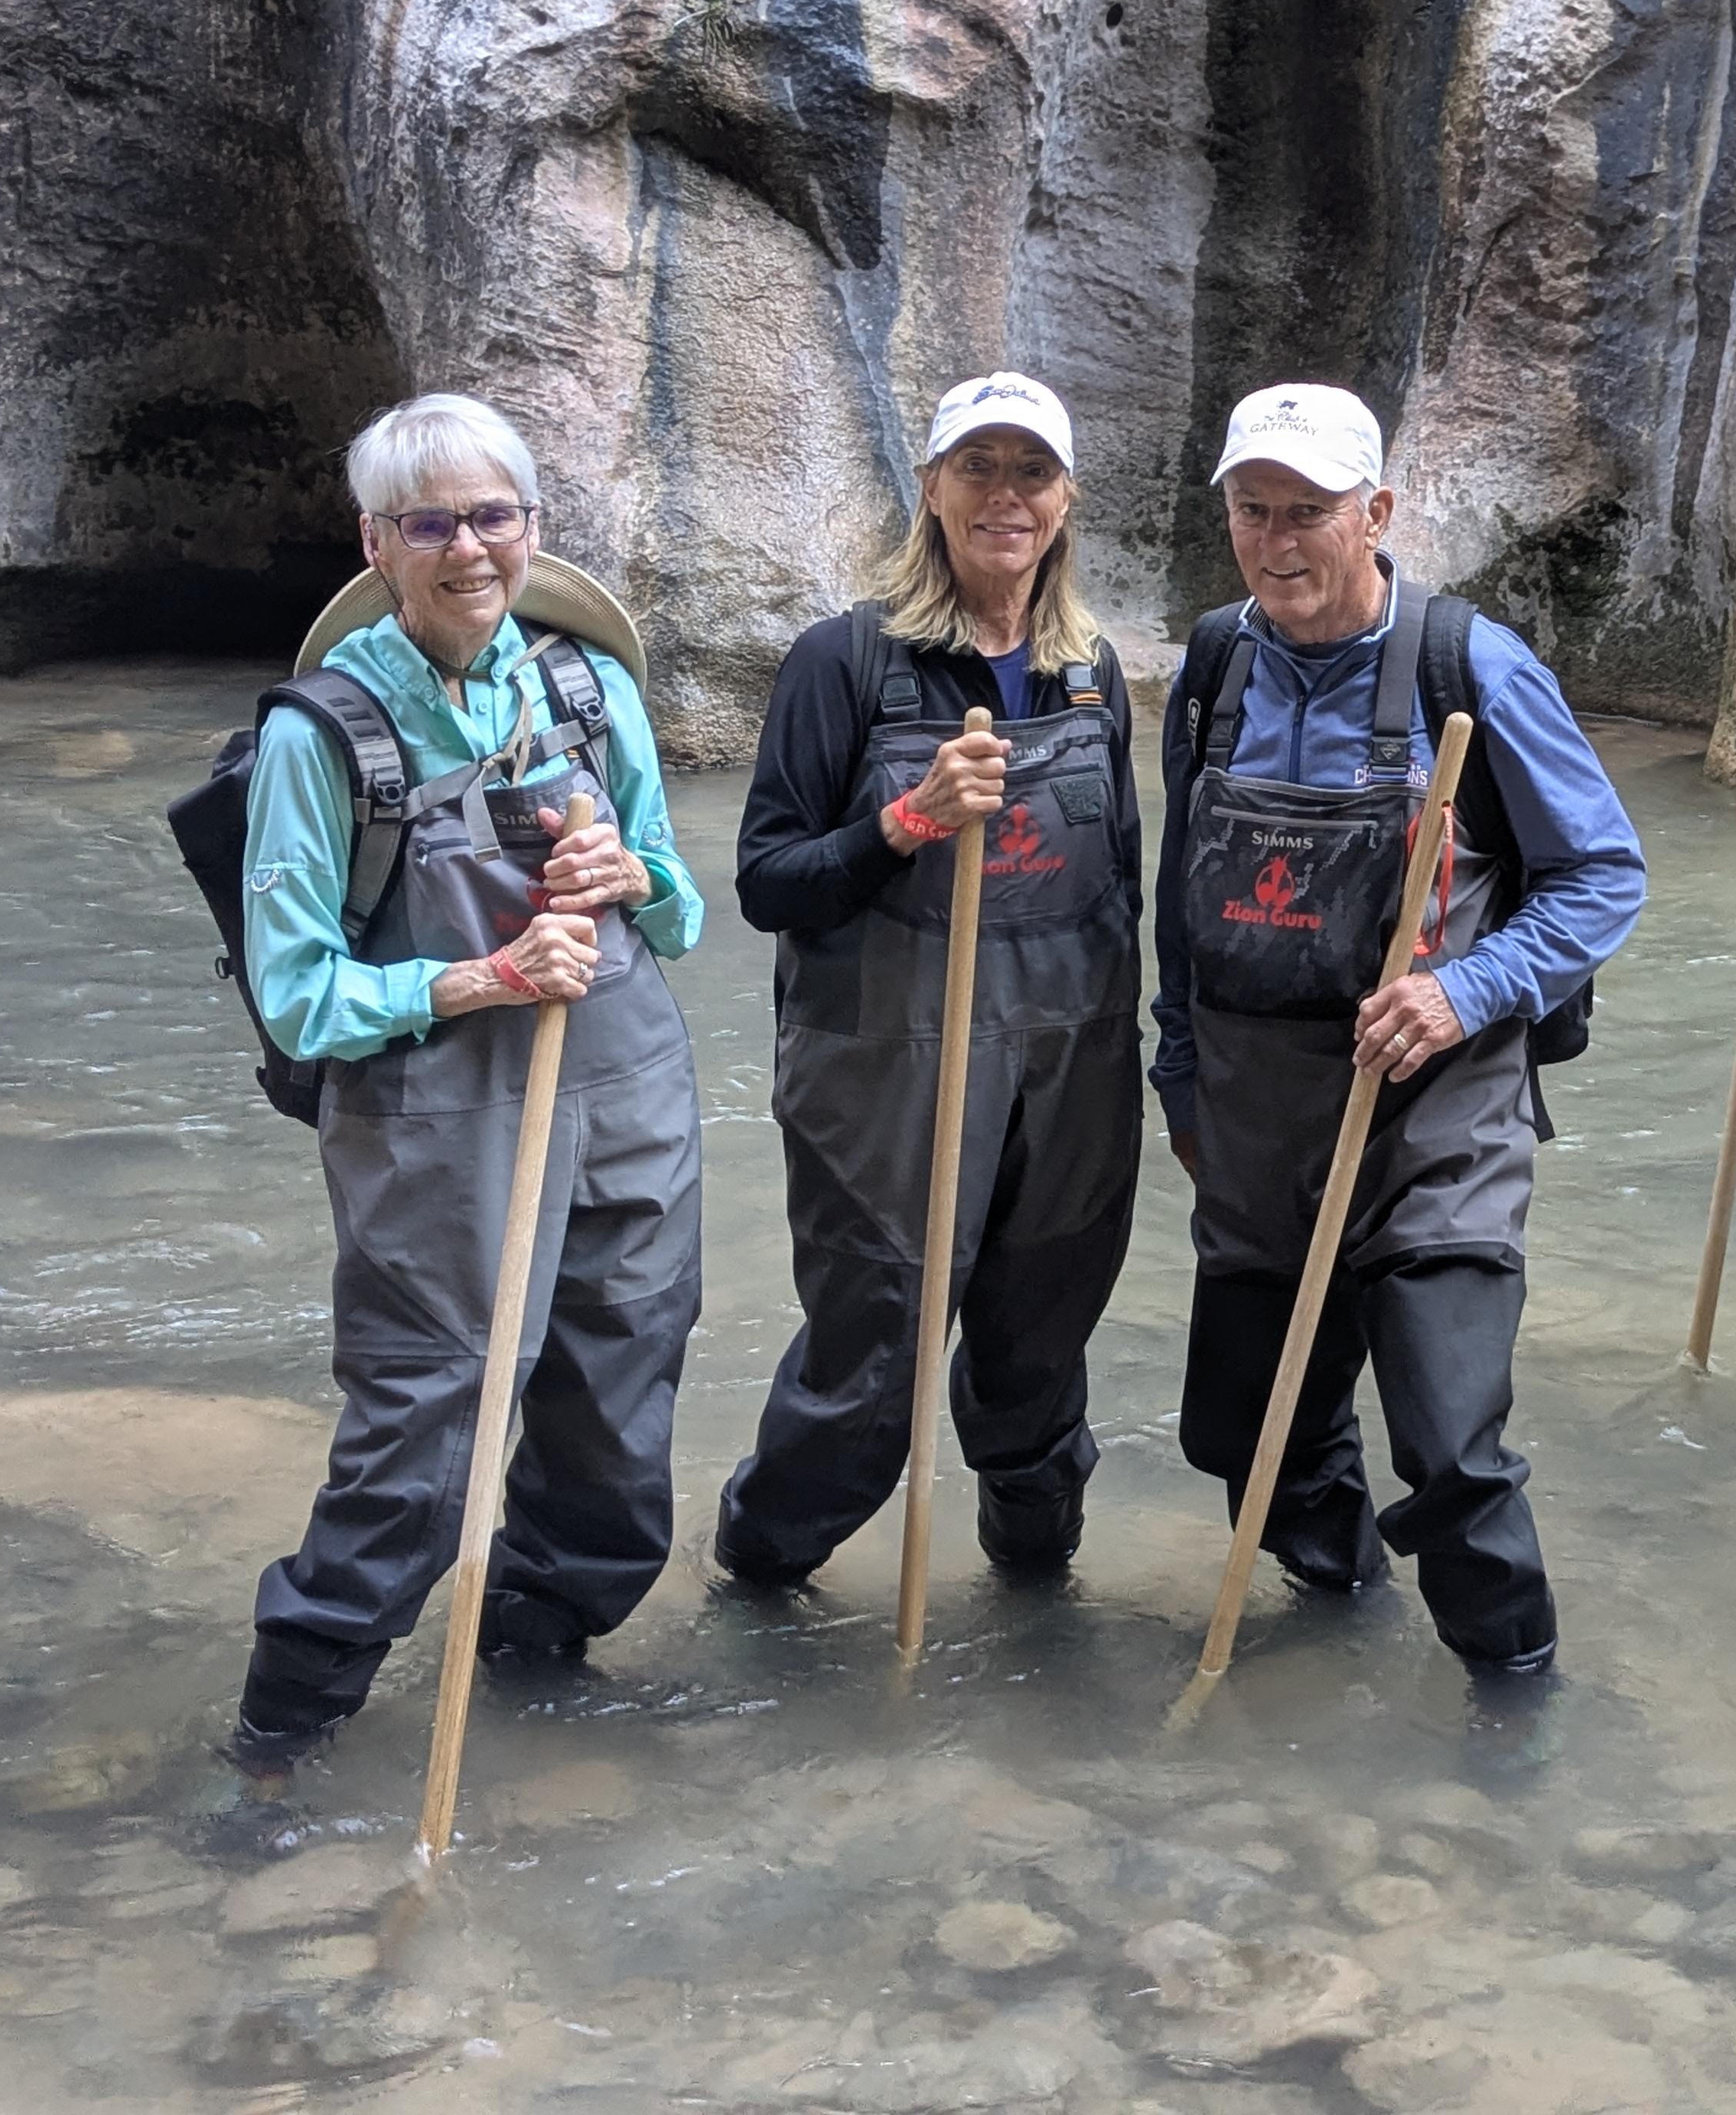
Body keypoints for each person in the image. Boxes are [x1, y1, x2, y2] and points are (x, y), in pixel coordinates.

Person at [234, 393, 706, 1768]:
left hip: (625, 1092)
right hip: (436, 1121)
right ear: (375, 542)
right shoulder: (317, 739)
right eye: (429, 522)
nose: (467, 550)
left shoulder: (587, 688)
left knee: (618, 1402)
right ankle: (284, 1736)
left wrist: (628, 875)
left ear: (532, 530)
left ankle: (538, 1667)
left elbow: (678, 911)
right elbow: (300, 993)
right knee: (421, 1435)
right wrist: (482, 978)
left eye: (491, 517)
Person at [1152, 383, 1646, 1677]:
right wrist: (1181, 1072)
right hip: (1259, 1124)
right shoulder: (1211, 669)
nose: (1277, 542)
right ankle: (1342, 1620)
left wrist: (1463, 991)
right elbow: (1177, 904)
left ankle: (1514, 1707)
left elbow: (1605, 875)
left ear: (1377, 512)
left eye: (1309, 512)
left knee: (1452, 1453)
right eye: (1252, 511)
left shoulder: (1467, 666)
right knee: (1238, 1433)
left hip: (1438, 1122)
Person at [717, 373, 1140, 1586]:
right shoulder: (841, 664)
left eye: (1031, 472)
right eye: (979, 468)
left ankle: (1036, 1598)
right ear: (933, 490)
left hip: (1070, 1070)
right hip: (886, 1072)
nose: (1005, 496)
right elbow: (767, 882)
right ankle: (758, 1579)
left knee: (1039, 1353)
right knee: (873, 1367)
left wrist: (1152, 1059)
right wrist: (903, 820)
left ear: (1065, 501)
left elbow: (1122, 887)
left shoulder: (1093, 673)